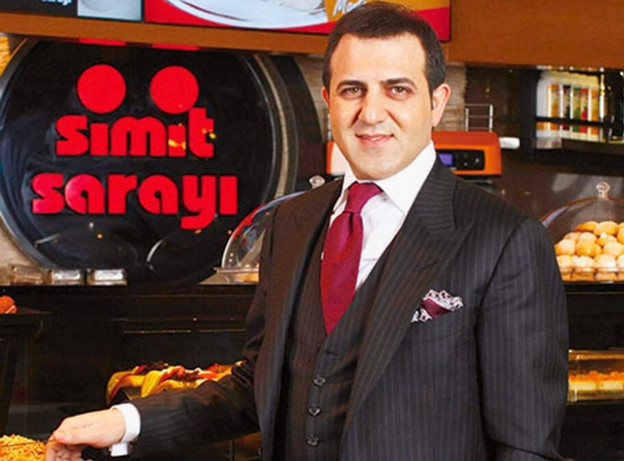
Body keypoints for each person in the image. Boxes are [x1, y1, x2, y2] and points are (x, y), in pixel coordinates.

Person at [46, 2, 568, 460]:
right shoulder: (291, 223)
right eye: (352, 90)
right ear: (328, 101)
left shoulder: (505, 240)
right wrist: (126, 422)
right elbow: (258, 386)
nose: (371, 113)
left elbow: (524, 447)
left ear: (436, 102)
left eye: (398, 89)